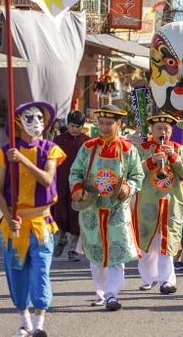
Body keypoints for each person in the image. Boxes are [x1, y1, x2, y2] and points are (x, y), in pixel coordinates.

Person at [0, 102, 66, 337]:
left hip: (41, 224)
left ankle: (39, 324)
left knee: (41, 271)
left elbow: (47, 180)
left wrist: (23, 160)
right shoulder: (4, 153)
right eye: (30, 117)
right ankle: (24, 321)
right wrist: (8, 217)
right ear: (17, 123)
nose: (37, 122)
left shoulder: (50, 149)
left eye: (40, 118)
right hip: (14, 225)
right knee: (17, 272)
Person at [69, 105, 145, 311]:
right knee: (95, 254)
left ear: (119, 125)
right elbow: (75, 172)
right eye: (101, 123)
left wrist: (127, 189)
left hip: (117, 209)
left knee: (116, 254)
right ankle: (100, 292)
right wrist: (77, 189)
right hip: (92, 209)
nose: (104, 127)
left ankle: (112, 294)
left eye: (109, 123)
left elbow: (138, 176)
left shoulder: (129, 150)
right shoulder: (88, 148)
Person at [135, 112, 183, 295]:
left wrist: (174, 158)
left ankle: (167, 281)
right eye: (159, 128)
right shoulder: (142, 149)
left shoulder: (179, 149)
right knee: (147, 242)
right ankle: (148, 278)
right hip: (148, 201)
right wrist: (152, 161)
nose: (163, 132)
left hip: (172, 201)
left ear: (171, 131)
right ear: (152, 130)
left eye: (167, 129)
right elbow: (133, 172)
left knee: (167, 242)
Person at [51, 111, 87, 263]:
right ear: (68, 124)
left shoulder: (87, 142)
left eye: (78, 127)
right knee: (60, 214)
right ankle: (61, 239)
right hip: (60, 183)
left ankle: (73, 250)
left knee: (76, 217)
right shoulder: (58, 140)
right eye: (72, 126)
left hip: (78, 186)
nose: (75, 129)